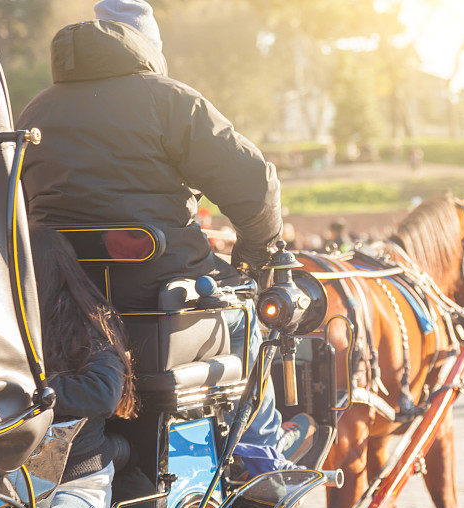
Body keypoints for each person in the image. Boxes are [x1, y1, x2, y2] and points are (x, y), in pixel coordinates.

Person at [17, 0, 314, 458]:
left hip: (62, 308)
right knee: (246, 318)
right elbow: (255, 185)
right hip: (157, 304)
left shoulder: (33, 111)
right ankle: (259, 451)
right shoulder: (169, 99)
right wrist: (257, 250)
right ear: (146, 46)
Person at [29, 225, 138, 508]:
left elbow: (102, 393)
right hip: (6, 481)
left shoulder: (90, 322)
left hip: (75, 486)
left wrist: (26, 390)